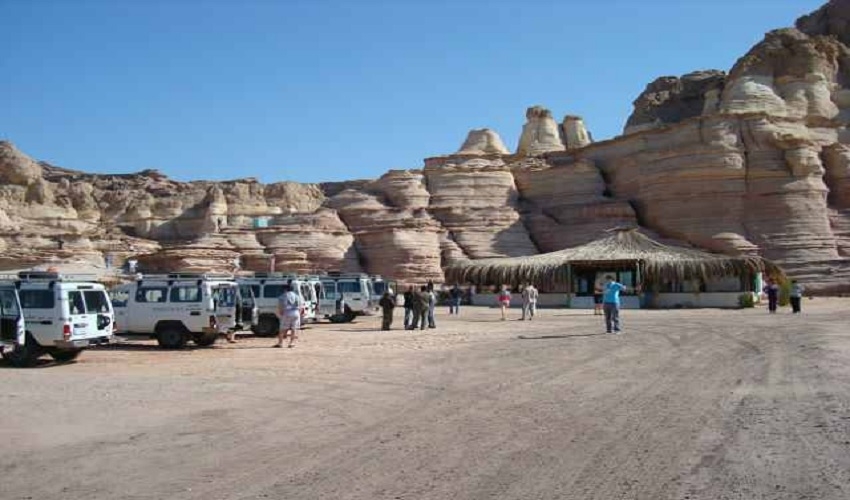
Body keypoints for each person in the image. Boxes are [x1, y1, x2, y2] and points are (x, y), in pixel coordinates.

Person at [275, 283, 303, 348]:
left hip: (287, 312)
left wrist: (280, 313)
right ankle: (291, 343)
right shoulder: (297, 296)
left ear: (285, 289)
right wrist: (299, 313)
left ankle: (280, 343)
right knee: (294, 328)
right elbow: (300, 306)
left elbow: (281, 306)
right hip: (296, 313)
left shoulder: (283, 296)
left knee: (282, 328)